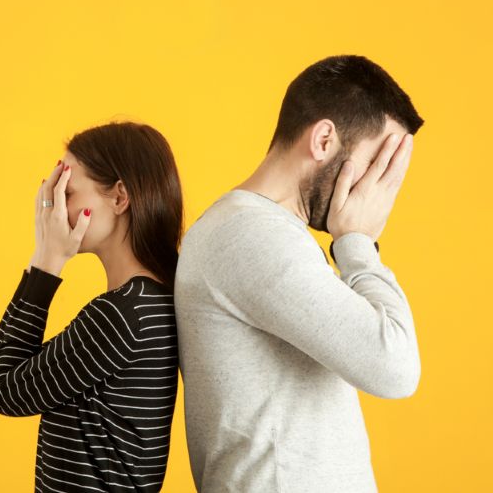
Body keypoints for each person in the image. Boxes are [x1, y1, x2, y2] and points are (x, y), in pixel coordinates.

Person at [174, 55, 424, 492]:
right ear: (324, 139)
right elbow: (395, 367)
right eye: (377, 164)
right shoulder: (249, 235)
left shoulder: (271, 232)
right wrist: (358, 243)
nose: (379, 189)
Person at [0, 121, 184, 492]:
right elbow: (3, 375)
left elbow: (3, 392)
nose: (54, 208)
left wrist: (47, 259)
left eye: (67, 192)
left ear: (120, 197)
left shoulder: (121, 317)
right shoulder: (149, 303)